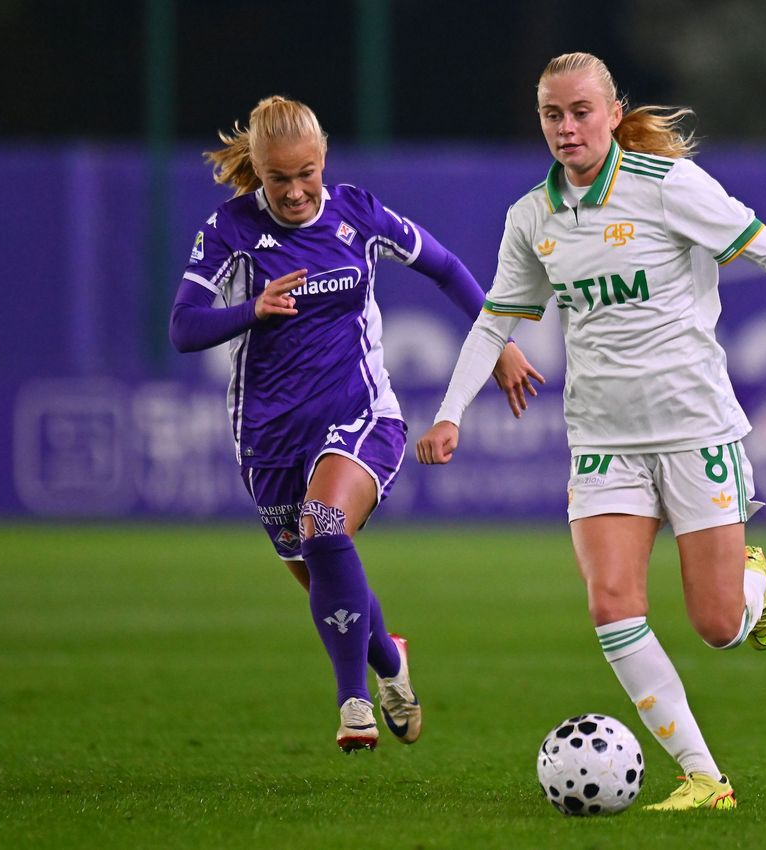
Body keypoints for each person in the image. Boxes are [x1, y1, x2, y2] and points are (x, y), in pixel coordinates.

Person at [416, 53, 766, 810]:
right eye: (552, 115)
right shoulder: (533, 217)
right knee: (610, 606)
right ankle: (703, 777)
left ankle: (750, 583)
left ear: (611, 110)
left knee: (718, 626)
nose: (566, 128)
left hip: (695, 431)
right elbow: (496, 319)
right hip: (601, 441)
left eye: (580, 112)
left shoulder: (667, 189)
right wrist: (449, 412)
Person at [168, 96, 542, 753]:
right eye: (277, 178)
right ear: (255, 169)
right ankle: (390, 660)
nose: (294, 191)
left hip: (360, 414)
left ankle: (353, 703)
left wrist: (502, 342)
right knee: (321, 564)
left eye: (306, 173)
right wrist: (251, 308)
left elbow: (446, 267)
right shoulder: (229, 229)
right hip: (268, 437)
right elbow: (182, 327)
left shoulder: (356, 214)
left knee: (325, 524)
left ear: (324, 159)